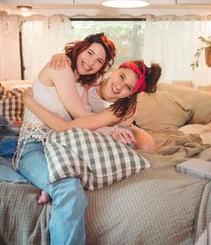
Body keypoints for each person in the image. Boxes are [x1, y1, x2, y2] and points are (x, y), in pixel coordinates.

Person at [13, 32, 117, 245]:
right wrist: (112, 126)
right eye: (89, 53)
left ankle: (47, 187)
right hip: (33, 149)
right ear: (80, 48)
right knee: (69, 190)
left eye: (99, 61)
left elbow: (85, 120)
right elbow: (81, 116)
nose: (90, 63)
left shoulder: (82, 86)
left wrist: (116, 128)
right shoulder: (60, 67)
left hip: (60, 149)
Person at [23, 59, 161, 205]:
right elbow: (77, 65)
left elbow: (80, 126)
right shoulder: (96, 76)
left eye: (128, 87)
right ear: (115, 70)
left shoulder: (118, 111)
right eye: (121, 76)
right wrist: (60, 56)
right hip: (89, 124)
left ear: (130, 94)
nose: (119, 86)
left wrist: (115, 128)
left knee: (145, 145)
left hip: (106, 127)